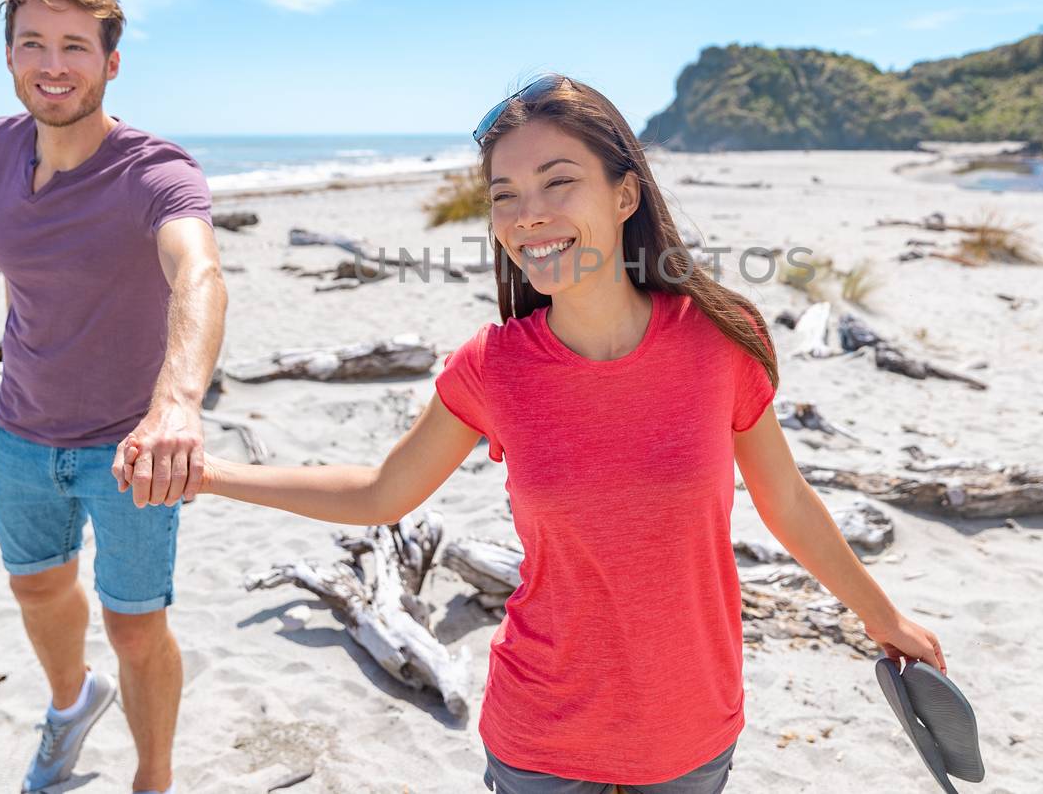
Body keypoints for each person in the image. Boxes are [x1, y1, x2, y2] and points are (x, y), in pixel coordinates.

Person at [116, 74, 942, 793]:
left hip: (691, 728)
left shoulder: (720, 340)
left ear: (625, 195)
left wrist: (884, 615)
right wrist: (211, 473)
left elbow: (787, 501)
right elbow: (380, 492)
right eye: (505, 194)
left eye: (557, 183)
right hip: (542, 736)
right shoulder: (495, 367)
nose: (528, 215)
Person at [0, 0, 227, 794]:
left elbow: (198, 273)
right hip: (20, 430)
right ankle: (68, 703)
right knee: (38, 588)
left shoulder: (155, 171)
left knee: (134, 628)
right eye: (33, 44)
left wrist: (177, 406)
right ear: (10, 55)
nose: (54, 65)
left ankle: (152, 778)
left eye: (75, 47)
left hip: (131, 447)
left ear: (110, 62)